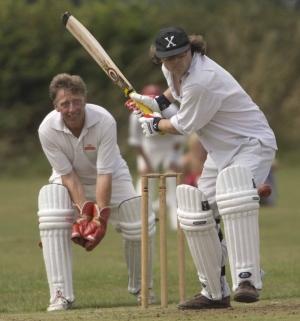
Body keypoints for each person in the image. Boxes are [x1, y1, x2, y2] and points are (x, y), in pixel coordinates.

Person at [128, 27, 277, 310]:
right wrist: (159, 102)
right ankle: (213, 291)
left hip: (250, 143)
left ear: (191, 50)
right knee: (196, 210)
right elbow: (177, 90)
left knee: (234, 195)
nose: (175, 63)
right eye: (168, 58)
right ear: (160, 58)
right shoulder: (171, 69)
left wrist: (154, 124)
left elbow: (183, 126)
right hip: (219, 151)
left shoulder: (203, 80)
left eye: (180, 55)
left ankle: (247, 279)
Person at [37, 73, 156, 312]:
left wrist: (99, 217)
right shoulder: (47, 129)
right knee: (52, 214)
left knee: (138, 220)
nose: (72, 109)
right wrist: (83, 213)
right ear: (55, 106)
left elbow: (105, 173)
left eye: (77, 101)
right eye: (65, 104)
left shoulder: (103, 120)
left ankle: (143, 287)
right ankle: (60, 295)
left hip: (111, 173)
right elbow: (68, 176)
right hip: (71, 178)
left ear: (85, 99)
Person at [128, 84, 184, 230]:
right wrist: (146, 163)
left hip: (170, 149)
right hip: (148, 151)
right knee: (145, 181)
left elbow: (178, 139)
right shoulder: (136, 114)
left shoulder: (171, 110)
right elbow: (136, 142)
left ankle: (176, 221)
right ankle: (140, 218)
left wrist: (172, 159)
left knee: (173, 178)